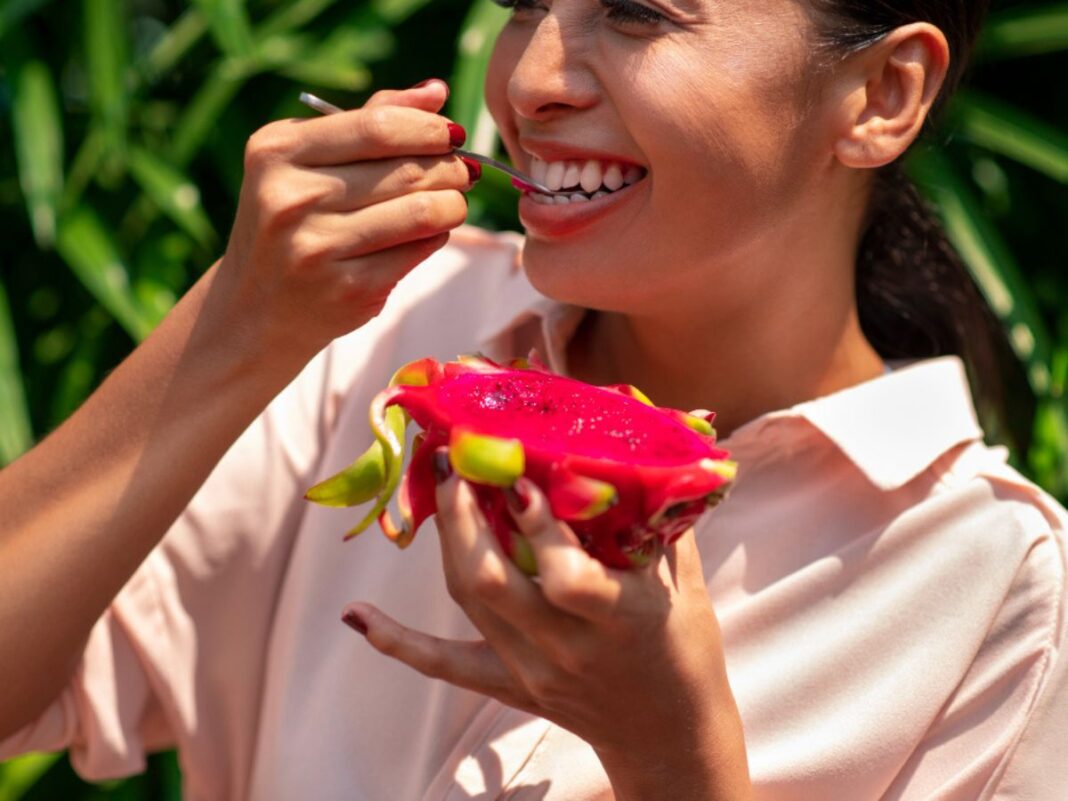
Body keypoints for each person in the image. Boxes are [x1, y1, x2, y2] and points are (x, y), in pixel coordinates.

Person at [1, 0, 1065, 798]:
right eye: (522, 3)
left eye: (639, 12)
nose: (532, 77)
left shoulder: (1003, 599)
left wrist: (670, 758)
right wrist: (235, 327)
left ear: (883, 95)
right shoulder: (377, 334)